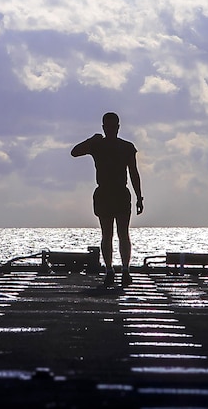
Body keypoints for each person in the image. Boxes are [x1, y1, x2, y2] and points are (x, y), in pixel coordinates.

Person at [71, 112, 144, 286]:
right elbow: (74, 152)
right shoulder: (97, 145)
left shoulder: (126, 147)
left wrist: (139, 197)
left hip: (121, 193)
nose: (111, 129)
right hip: (104, 193)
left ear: (118, 127)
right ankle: (109, 270)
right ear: (103, 128)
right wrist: (91, 139)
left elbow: (134, 173)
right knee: (107, 234)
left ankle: (125, 270)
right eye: (108, 127)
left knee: (123, 233)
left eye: (113, 126)